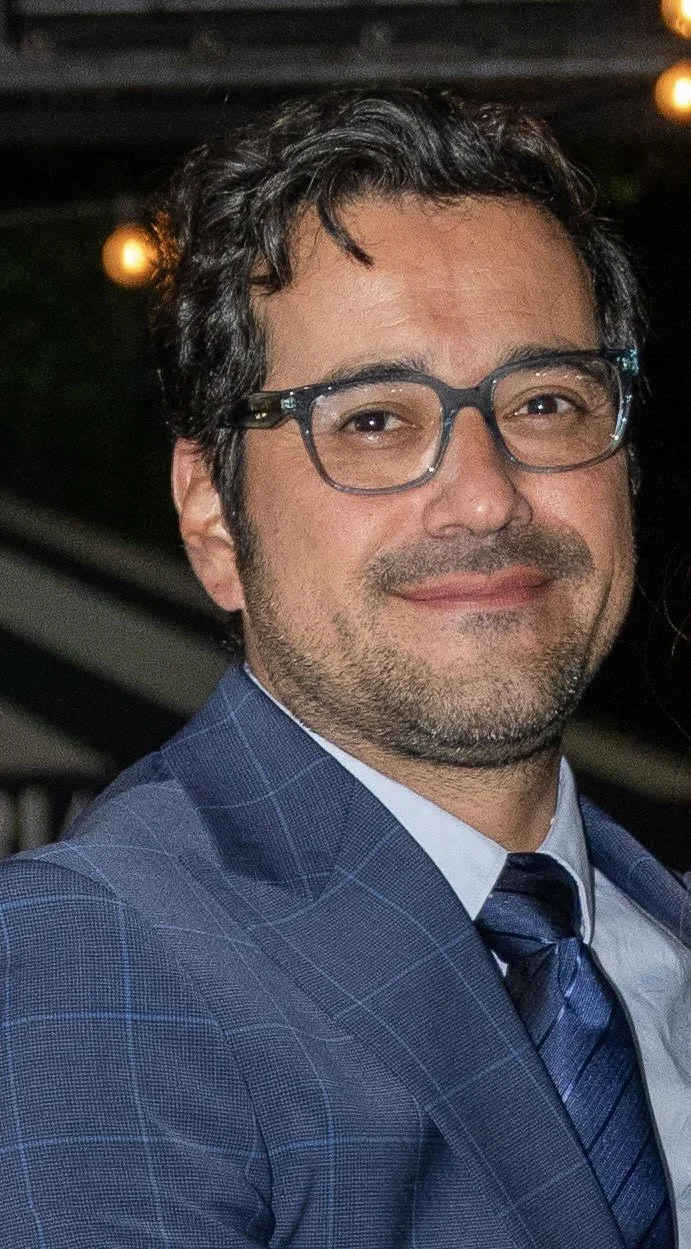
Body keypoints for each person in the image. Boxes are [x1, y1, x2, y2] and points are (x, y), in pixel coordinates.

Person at [0, 89, 687, 1249]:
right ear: (215, 517)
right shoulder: (98, 953)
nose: (483, 493)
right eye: (371, 419)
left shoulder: (658, 943)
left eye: (546, 401)